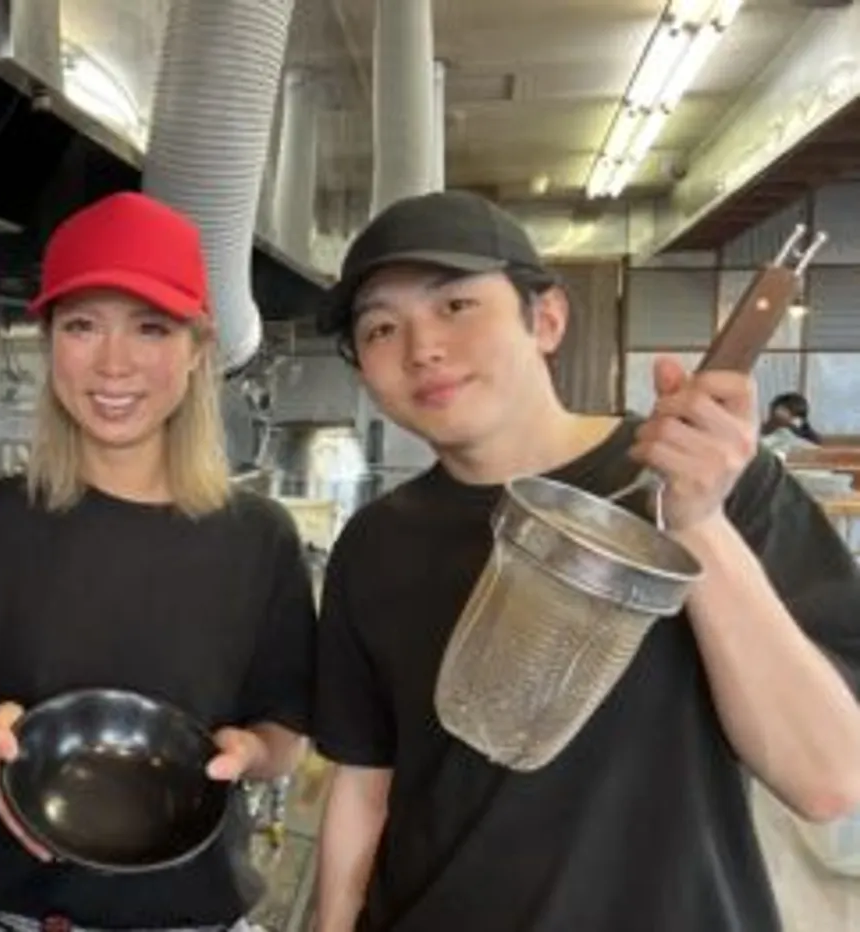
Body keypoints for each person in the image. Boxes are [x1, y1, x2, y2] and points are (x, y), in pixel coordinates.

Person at [310, 190, 860, 932]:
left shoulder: (716, 486)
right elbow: (365, 783)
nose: (422, 348)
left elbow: (829, 777)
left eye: (456, 306)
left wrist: (695, 522)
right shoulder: (375, 544)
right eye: (380, 327)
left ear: (547, 319)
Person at [0, 191, 318, 931]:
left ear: (195, 350)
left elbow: (284, 739)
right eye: (82, 325)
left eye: (150, 328)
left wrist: (249, 753)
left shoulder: (259, 538)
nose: (113, 364)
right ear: (51, 339)